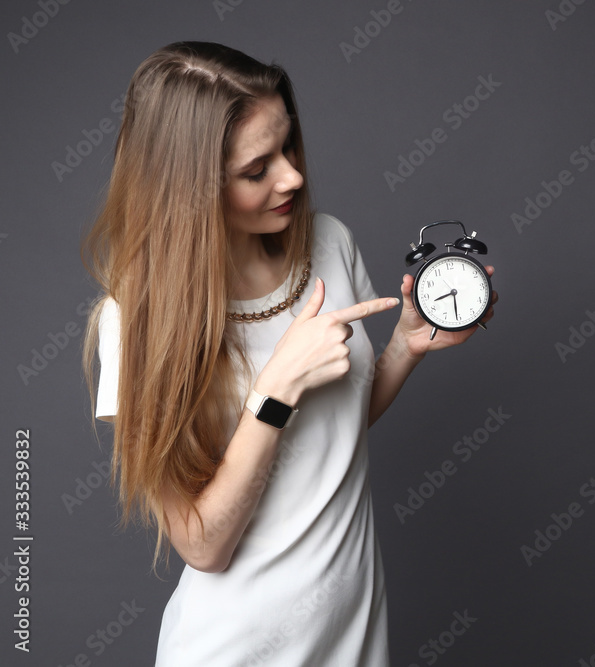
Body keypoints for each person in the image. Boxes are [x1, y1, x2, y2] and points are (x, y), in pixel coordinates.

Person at [80, 41, 496, 666]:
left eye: (289, 145)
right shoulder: (138, 324)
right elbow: (202, 547)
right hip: (235, 647)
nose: (293, 177)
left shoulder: (329, 244)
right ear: (188, 189)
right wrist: (273, 392)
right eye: (257, 169)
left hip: (349, 633)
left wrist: (407, 348)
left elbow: (334, 434)